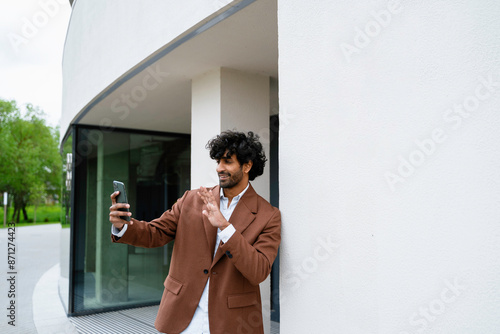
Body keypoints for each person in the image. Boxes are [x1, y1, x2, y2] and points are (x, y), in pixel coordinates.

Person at [109, 130, 281, 334]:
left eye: (227, 162)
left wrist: (225, 227)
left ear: (247, 166)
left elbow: (258, 271)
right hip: (182, 318)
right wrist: (123, 226)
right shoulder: (191, 199)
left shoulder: (268, 215)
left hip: (232, 323)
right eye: (218, 161)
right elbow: (155, 233)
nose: (219, 168)